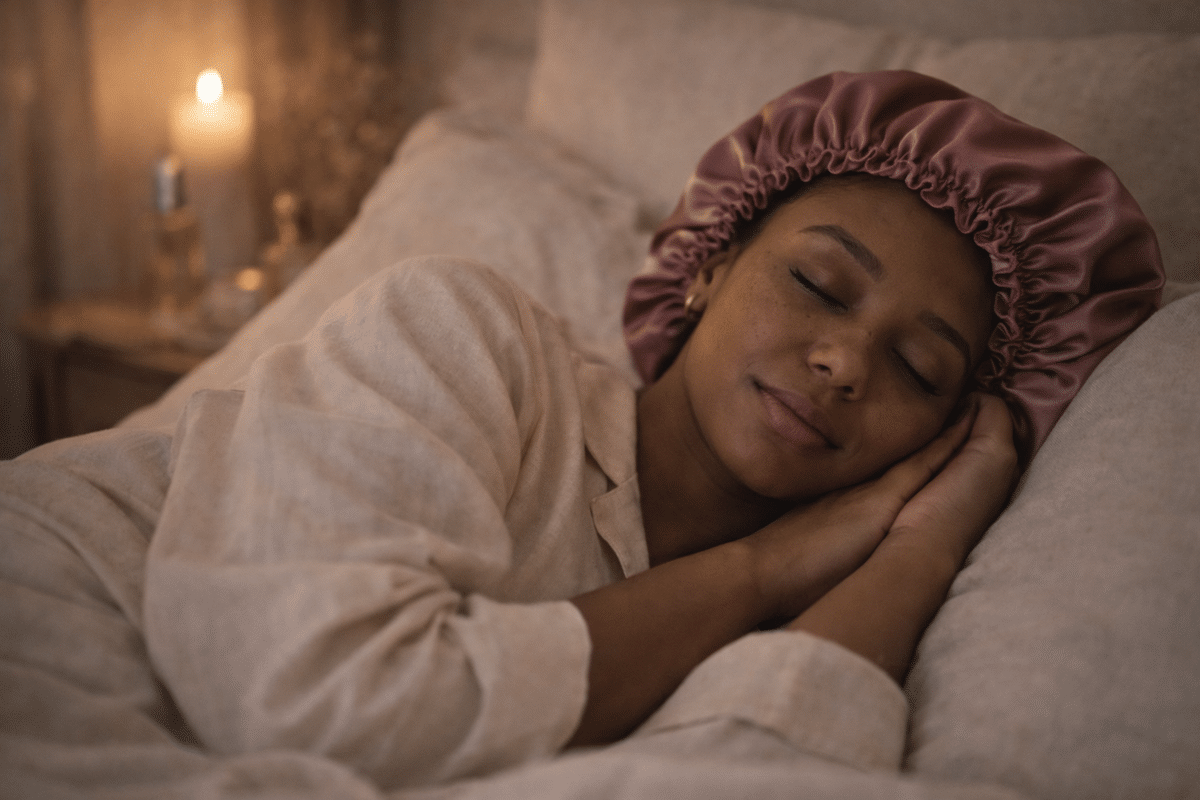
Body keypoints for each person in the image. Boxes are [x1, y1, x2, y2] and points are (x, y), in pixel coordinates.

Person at [0, 70, 1162, 796]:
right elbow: (320, 697)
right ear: (705, 270)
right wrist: (763, 564)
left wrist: (918, 545)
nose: (847, 362)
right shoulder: (461, 330)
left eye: (919, 367)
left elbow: (753, 770)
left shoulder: (846, 589)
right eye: (817, 284)